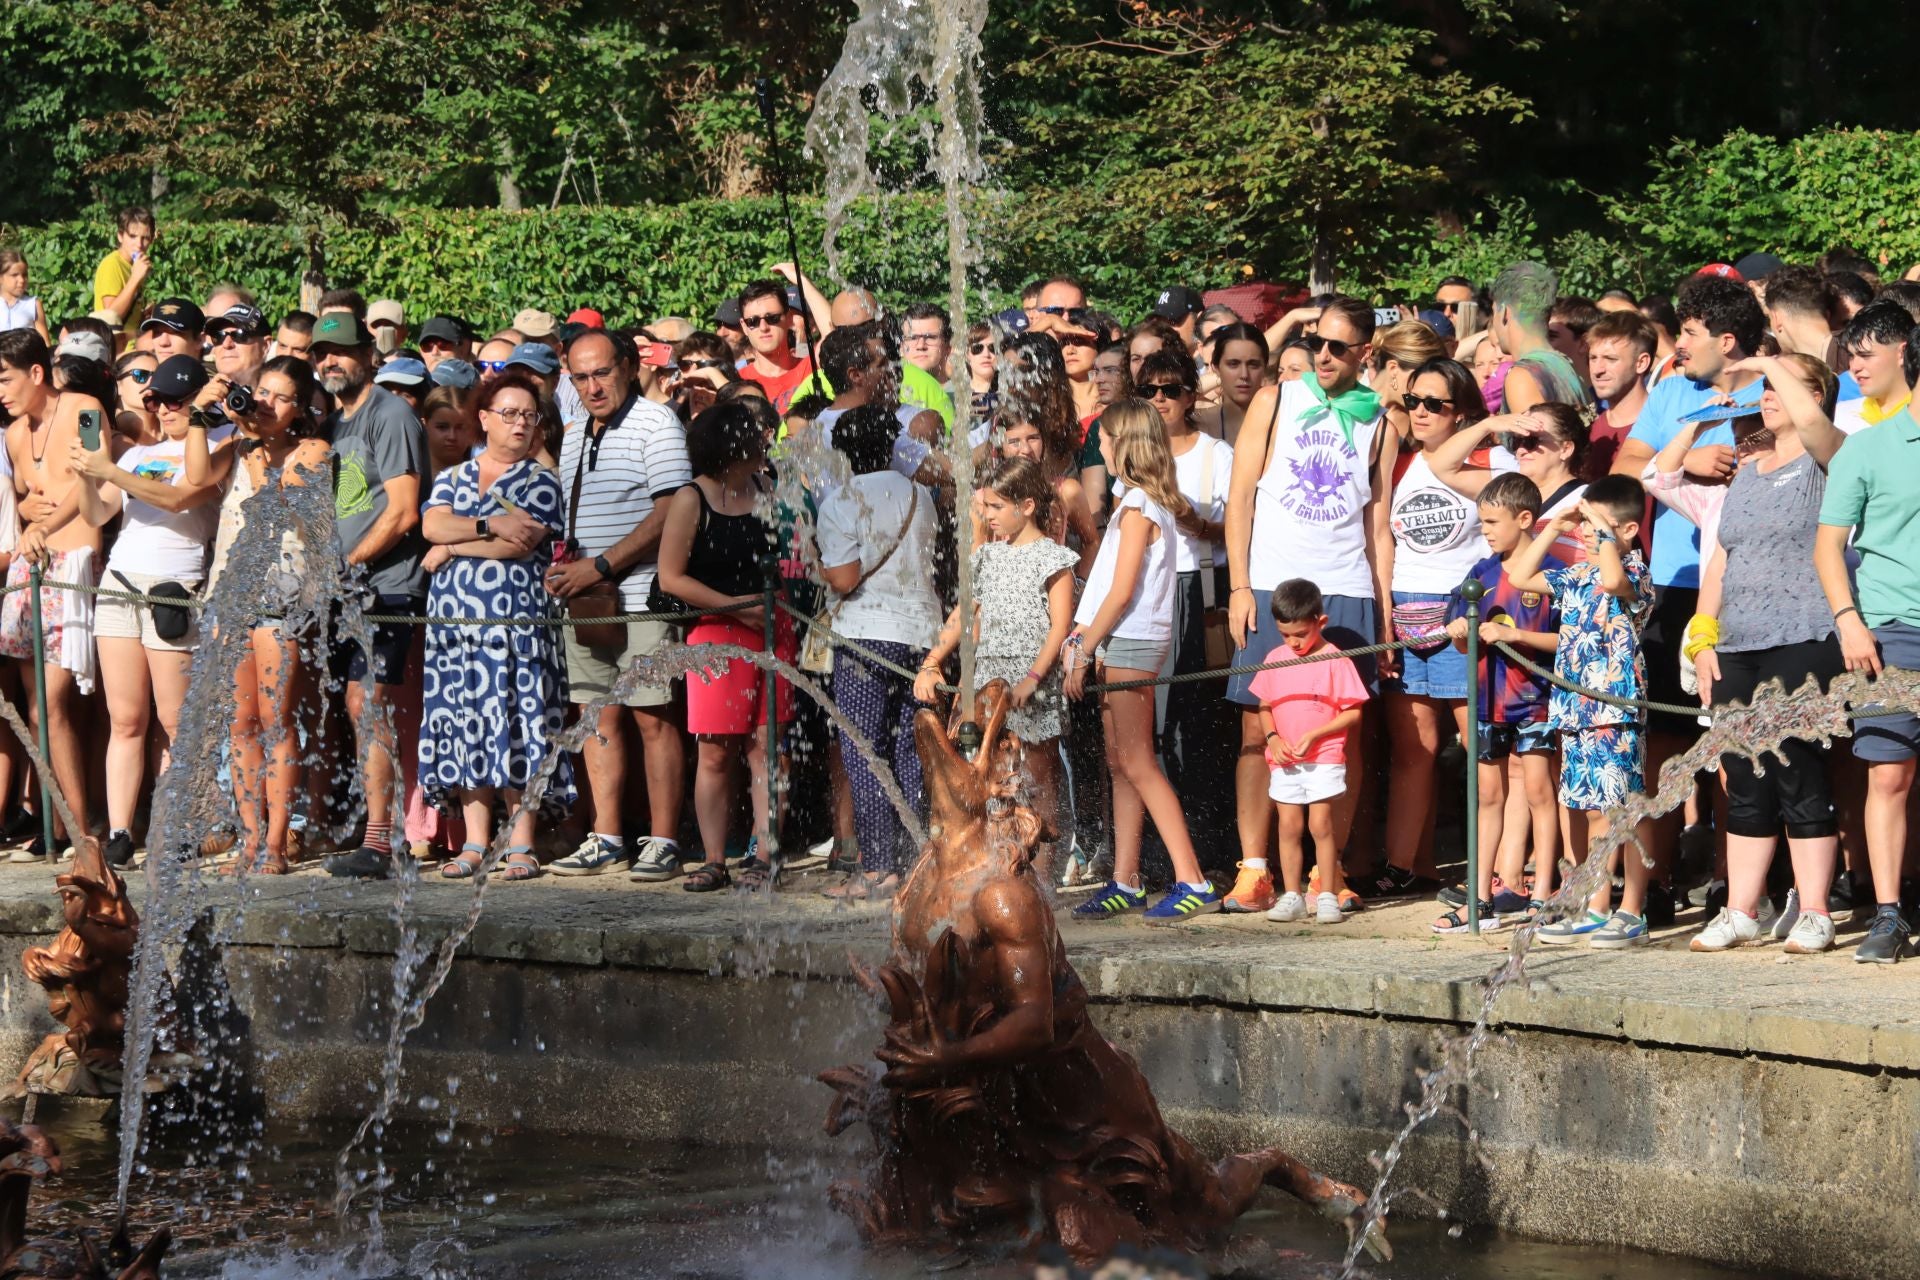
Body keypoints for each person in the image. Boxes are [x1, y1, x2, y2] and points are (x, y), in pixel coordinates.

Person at [1225, 297, 1393, 902]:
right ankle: (1254, 868)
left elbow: (1378, 526)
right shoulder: (1277, 399)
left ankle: (1330, 871)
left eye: (1338, 347)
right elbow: (1240, 496)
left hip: (1344, 585)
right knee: (1255, 728)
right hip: (1271, 579)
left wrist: (1385, 612)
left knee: (1338, 737)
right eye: (1318, 342)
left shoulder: (1381, 421)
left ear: (1364, 354)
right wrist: (1239, 586)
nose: (1324, 355)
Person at [1611, 275, 1768, 916]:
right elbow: (1625, 469)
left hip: (1743, 588)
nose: (1678, 346)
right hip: (1673, 585)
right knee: (1663, 746)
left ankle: (1734, 884)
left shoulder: (1771, 389)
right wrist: (1691, 461)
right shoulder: (1672, 391)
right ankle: (1658, 881)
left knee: (1734, 745)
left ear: (1727, 341)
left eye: (1691, 334)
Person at [1687, 353, 1845, 955]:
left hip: (1804, 635)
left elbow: (1815, 427)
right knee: (1743, 777)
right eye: (1766, 387)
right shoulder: (1748, 472)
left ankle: (1814, 911)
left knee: (1794, 767)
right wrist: (1703, 638)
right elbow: (1723, 561)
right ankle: (1741, 909)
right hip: (1738, 643)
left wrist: (1770, 357)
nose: (1769, 394)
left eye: (1784, 387)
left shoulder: (1827, 460)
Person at [69, 353, 235, 868]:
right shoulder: (141, 455)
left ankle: (182, 823)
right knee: (126, 718)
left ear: (200, 402)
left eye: (175, 401)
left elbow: (181, 498)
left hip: (173, 587)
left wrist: (110, 468)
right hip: (120, 581)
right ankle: (120, 831)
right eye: (155, 400)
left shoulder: (222, 443)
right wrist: (86, 472)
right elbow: (99, 513)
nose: (163, 409)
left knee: (176, 718)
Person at [1065, 398, 1221, 923]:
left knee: (1138, 762)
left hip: (1130, 641)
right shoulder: (1133, 502)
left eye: (1104, 440)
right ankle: (1125, 880)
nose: (1099, 447)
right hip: (1118, 641)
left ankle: (1192, 879)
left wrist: (1084, 648)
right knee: (1120, 763)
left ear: (1123, 444)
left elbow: (1122, 589)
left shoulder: (1138, 509)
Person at [545, 327, 691, 879]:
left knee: (654, 716)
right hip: (587, 598)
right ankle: (607, 835)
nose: (592, 386)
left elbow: (672, 511)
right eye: (580, 377)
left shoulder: (657, 423)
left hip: (640, 594)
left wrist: (601, 566)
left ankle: (664, 839)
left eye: (602, 372)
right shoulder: (575, 431)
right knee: (596, 714)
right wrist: (568, 571)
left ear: (628, 367)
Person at [417, 374, 569, 884]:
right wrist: (487, 525)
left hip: (516, 627)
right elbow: (430, 527)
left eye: (529, 416)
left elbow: (518, 546)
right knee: (466, 723)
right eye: (510, 414)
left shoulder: (541, 481)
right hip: (455, 631)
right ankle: (477, 843)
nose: (522, 424)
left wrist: (455, 546)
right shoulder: (452, 477)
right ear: (483, 419)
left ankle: (521, 842)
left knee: (517, 723)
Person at [191, 356, 332, 873]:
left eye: (279, 396)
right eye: (260, 392)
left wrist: (257, 450)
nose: (265, 403)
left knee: (276, 723)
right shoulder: (238, 444)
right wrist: (200, 417)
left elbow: (283, 503)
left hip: (281, 599)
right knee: (240, 725)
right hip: (232, 599)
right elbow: (194, 475)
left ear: (300, 408)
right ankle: (248, 841)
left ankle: (276, 843)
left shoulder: (312, 450)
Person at [1374, 358, 1509, 894]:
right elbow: (1384, 543)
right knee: (1414, 750)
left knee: (1481, 750)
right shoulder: (1398, 462)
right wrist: (1384, 614)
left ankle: (1492, 870)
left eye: (1436, 403)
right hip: (1404, 611)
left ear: (1464, 411)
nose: (1422, 412)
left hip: (1462, 611)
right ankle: (1403, 865)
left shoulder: (1491, 458)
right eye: (1413, 401)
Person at [1505, 475, 1656, 948]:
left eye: (1599, 526)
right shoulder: (1576, 575)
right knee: (1592, 812)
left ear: (1627, 531)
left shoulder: (1633, 572)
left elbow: (1614, 580)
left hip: (1614, 708)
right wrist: (1556, 527)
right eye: (1587, 526)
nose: (1588, 533)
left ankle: (1633, 909)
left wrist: (1604, 534)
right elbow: (1520, 576)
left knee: (1623, 809)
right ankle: (1596, 904)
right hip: (1575, 709)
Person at [652, 403, 794, 892]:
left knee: (766, 748)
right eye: (756, 438)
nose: (765, 445)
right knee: (714, 750)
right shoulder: (692, 498)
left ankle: (765, 851)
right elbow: (671, 578)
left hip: (770, 628)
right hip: (715, 631)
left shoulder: (764, 487)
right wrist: (736, 607)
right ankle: (715, 858)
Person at [312, 313, 434, 880]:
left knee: (368, 704)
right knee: (349, 707)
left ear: (368, 353)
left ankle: (381, 842)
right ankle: (360, 828)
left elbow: (405, 511)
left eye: (339, 352)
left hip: (385, 587)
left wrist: (345, 566)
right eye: (321, 354)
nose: (329, 361)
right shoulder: (332, 422)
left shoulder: (391, 415)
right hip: (341, 587)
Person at [1815, 333, 1920, 963]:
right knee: (1889, 771)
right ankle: (1887, 912)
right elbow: (1829, 548)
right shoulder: (1868, 450)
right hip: (1892, 628)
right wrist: (1850, 620)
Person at [915, 455, 1078, 859]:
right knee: (988, 782)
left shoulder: (1053, 558)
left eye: (996, 507)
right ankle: (992, 871)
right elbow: (963, 612)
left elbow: (1060, 627)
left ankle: (1041, 884)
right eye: (985, 507)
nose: (987, 516)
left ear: (1026, 507)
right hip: (990, 683)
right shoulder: (987, 557)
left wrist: (1034, 678)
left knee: (1037, 787)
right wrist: (932, 660)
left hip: (1031, 684)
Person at [815, 404, 942, 898]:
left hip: (865, 636)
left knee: (866, 751)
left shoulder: (840, 502)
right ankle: (913, 862)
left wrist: (818, 568)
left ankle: (878, 868)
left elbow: (845, 579)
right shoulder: (920, 496)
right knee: (910, 751)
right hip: (921, 636)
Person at [1433, 473, 1561, 932]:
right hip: (1488, 702)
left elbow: (1566, 639)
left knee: (1541, 792)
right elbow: (1459, 628)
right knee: (1488, 795)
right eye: (1481, 521)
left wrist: (1513, 634)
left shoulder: (1555, 572)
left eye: (1492, 521)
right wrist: (1459, 629)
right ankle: (1481, 897)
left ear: (1525, 519)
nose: (1484, 530)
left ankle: (1542, 895)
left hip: (1535, 703)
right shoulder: (1480, 574)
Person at [1129, 349, 1238, 885]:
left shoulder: (1215, 453)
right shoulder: (1133, 450)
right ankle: (1152, 859)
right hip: (1143, 590)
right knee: (1147, 727)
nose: (1160, 401)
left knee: (1195, 722)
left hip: (1196, 586)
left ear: (1191, 396)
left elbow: (1233, 529)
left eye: (1170, 390)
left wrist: (1189, 517)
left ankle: (1205, 851)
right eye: (1149, 391)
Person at [0, 329, 106, 857]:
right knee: (37, 710)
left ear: (36, 372)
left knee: (57, 703)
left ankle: (84, 829)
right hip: (29, 572)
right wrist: (27, 516)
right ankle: (58, 825)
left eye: (5, 377)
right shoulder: (14, 434)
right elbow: (24, 499)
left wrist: (46, 520)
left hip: (73, 565)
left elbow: (94, 481)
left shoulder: (86, 409)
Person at [1246, 578, 1368, 924]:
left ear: (1320, 622)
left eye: (1301, 634)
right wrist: (1272, 738)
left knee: (1321, 824)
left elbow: (1353, 711)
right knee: (1287, 826)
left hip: (1324, 756)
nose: (1294, 642)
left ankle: (1326, 893)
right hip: (1284, 759)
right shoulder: (1274, 659)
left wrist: (1317, 733)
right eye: (1286, 635)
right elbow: (1264, 705)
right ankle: (1292, 895)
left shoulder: (1335, 660)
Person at [1482, 262, 1593, 414]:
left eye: (1494, 312)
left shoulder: (1523, 376)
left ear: (1505, 314)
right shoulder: (1568, 367)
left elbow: (1537, 437)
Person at [1583, 310, 1656, 480]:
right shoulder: (1590, 430)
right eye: (1593, 358)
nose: (1598, 370)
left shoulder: (1665, 427)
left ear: (1641, 363)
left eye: (1610, 359)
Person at [736, 280, 815, 412]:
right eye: (753, 321)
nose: (763, 327)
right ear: (744, 326)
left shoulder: (811, 366)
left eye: (772, 318)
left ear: (789, 318)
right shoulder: (737, 382)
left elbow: (832, 331)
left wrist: (802, 279)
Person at [1195, 323, 1268, 448]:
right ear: (1216, 367)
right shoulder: (1199, 424)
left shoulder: (1283, 420)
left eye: (1253, 365)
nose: (1244, 375)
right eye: (1233, 364)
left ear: (1264, 368)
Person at [93, 207, 154, 340]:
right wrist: (135, 279)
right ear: (120, 236)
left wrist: (142, 316)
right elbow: (111, 317)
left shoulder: (133, 265)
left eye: (145, 238)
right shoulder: (112, 264)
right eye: (132, 236)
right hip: (118, 351)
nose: (139, 244)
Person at [421, 385, 478, 477]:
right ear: (424, 426)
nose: (452, 436)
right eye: (442, 427)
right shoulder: (410, 479)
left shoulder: (481, 479)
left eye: (460, 427)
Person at [110, 350, 160, 444]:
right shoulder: (107, 436)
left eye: (157, 376)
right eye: (140, 375)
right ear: (118, 386)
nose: (151, 382)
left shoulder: (175, 428)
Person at [0, 251, 47, 342]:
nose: (21, 280)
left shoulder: (33, 305)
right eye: (14, 275)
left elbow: (45, 345)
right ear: (1, 278)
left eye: (24, 275)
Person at [900, 302, 953, 379]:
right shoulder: (889, 389)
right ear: (901, 347)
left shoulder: (965, 389)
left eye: (930, 337)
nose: (921, 346)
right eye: (913, 338)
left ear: (948, 347)